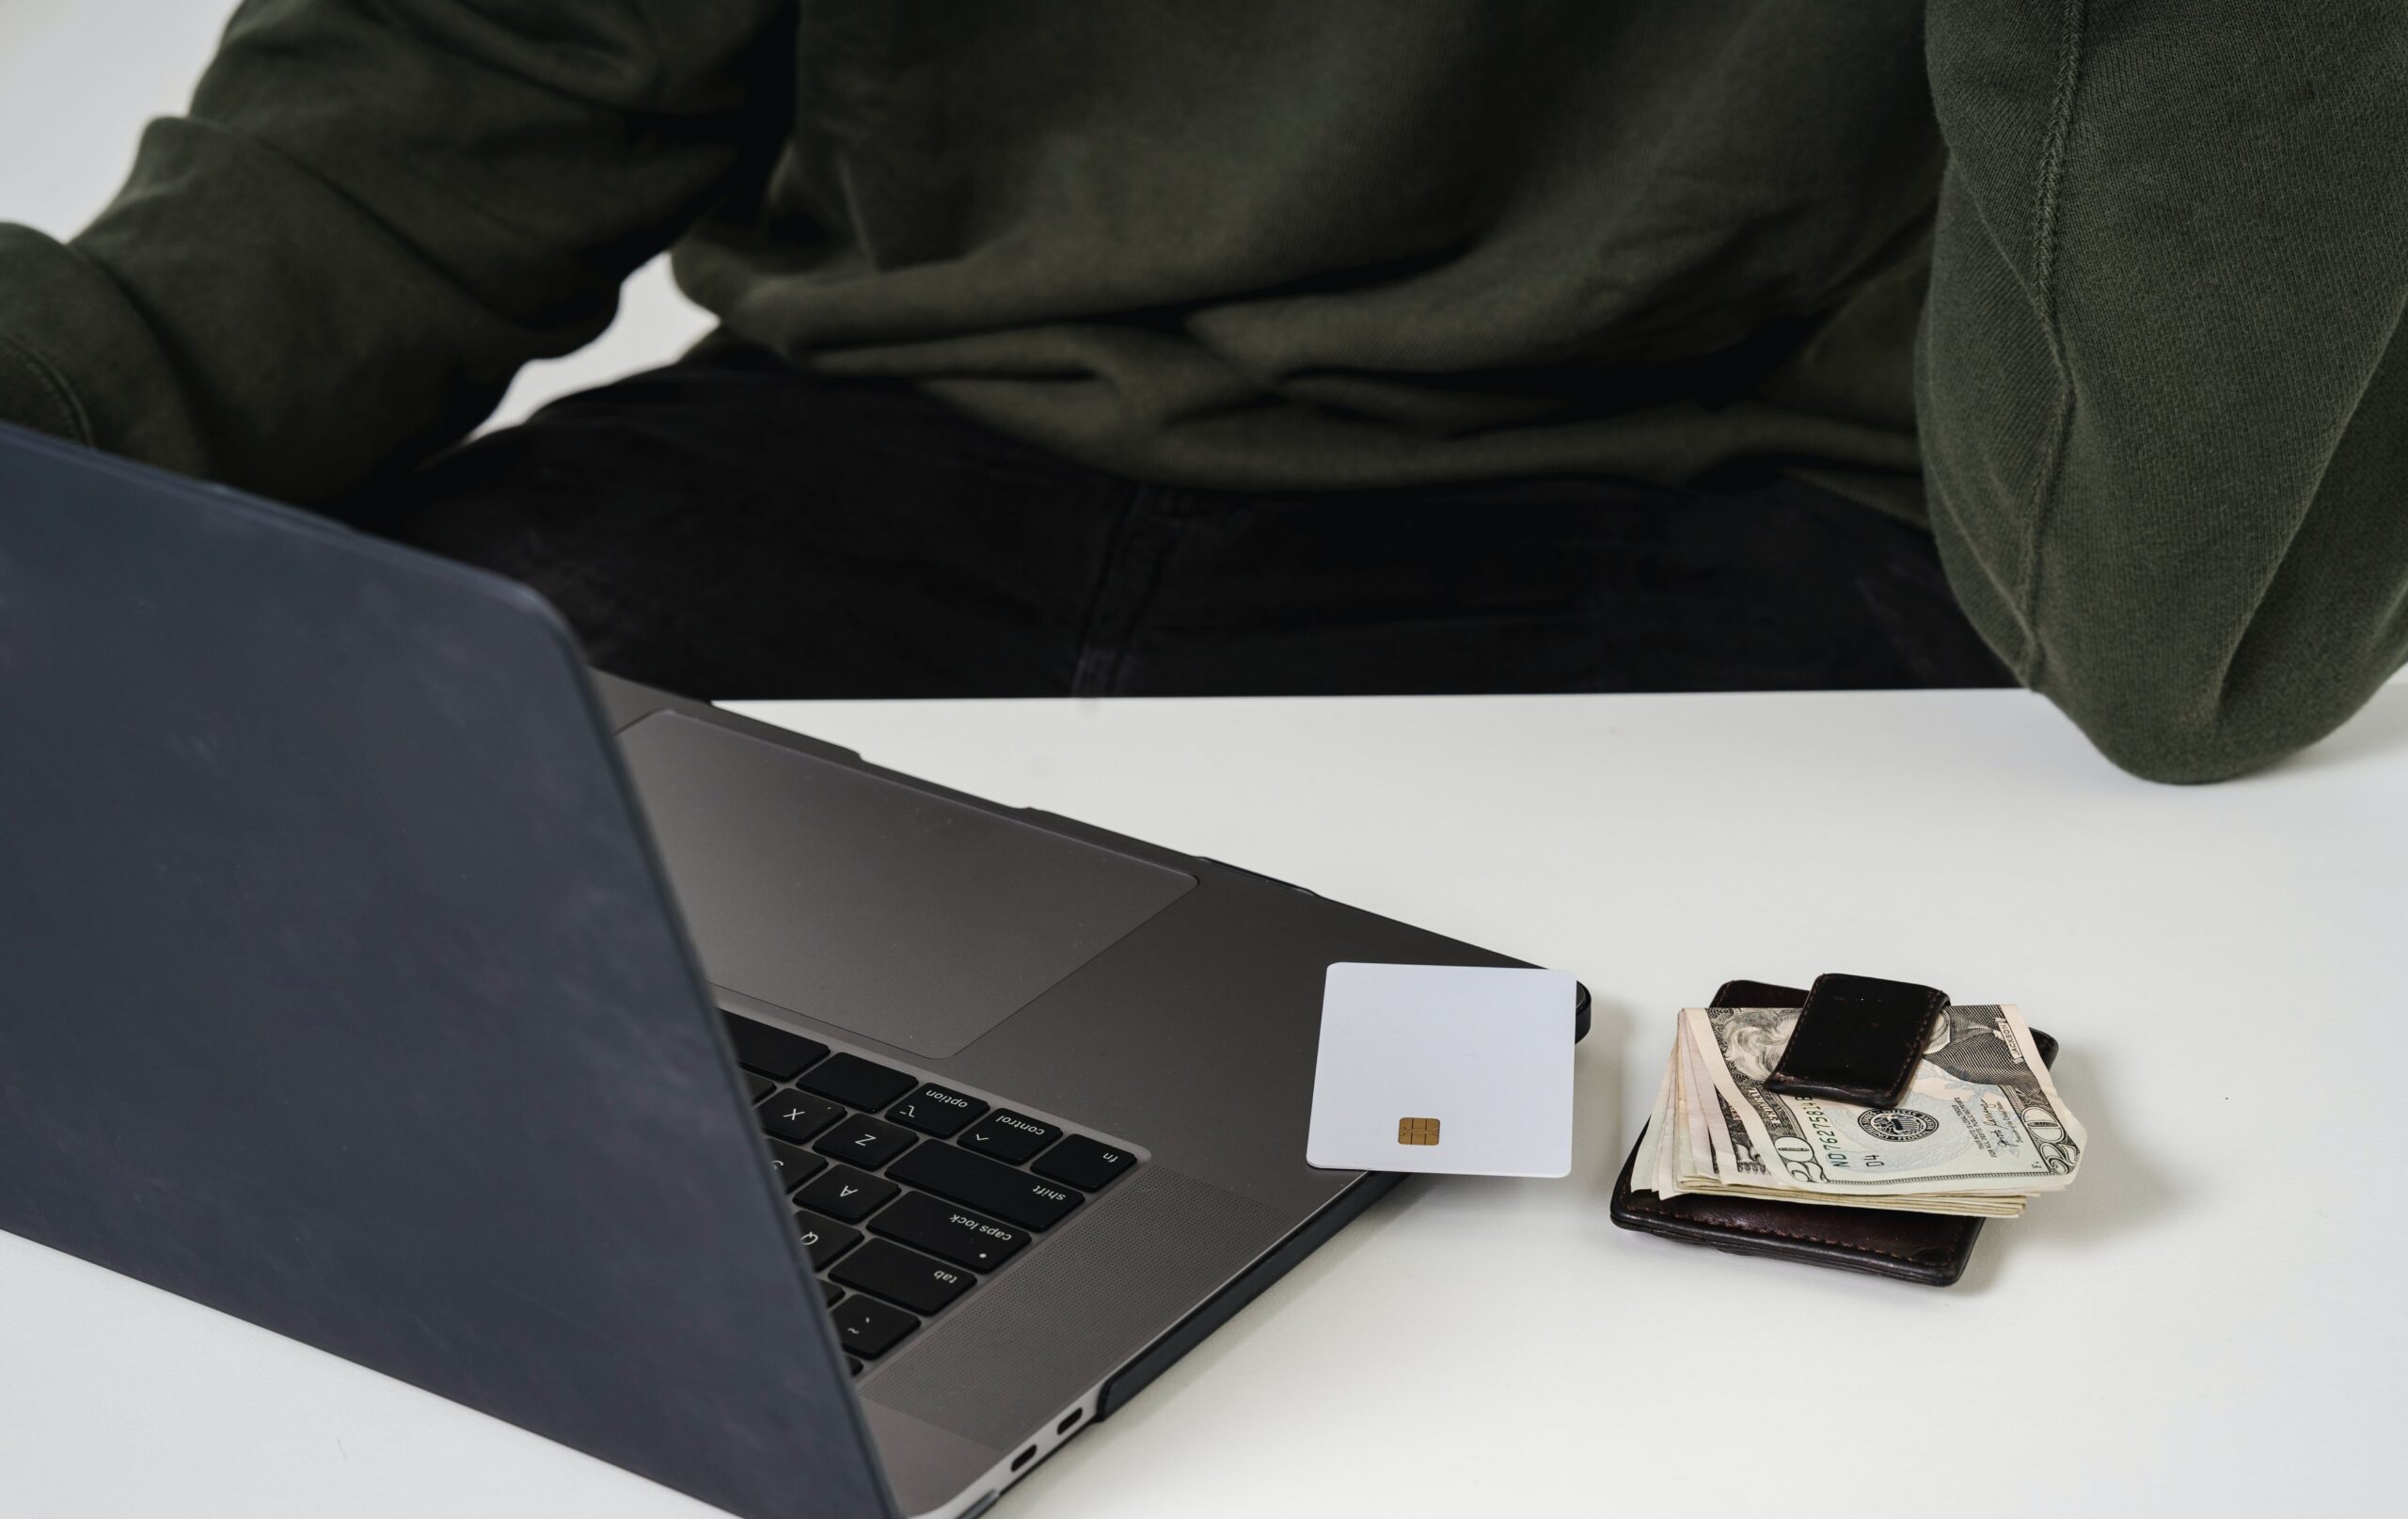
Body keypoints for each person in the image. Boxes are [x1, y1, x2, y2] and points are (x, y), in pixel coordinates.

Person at [1, 2, 2400, 782]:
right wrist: (73, 398)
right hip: (866, 432)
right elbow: (483, 73)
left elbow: (2180, 640)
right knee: (196, 941)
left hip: (1757, 507)